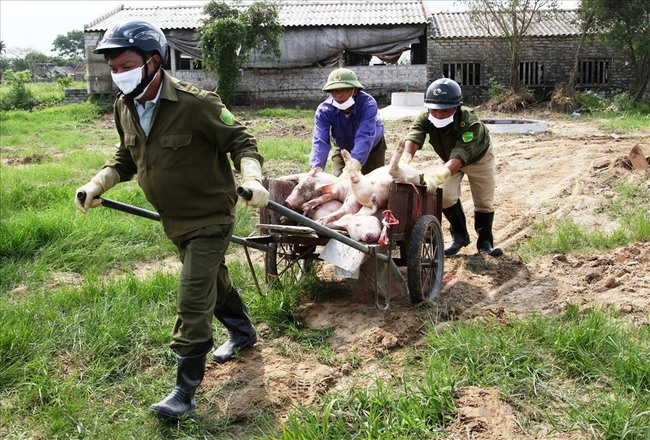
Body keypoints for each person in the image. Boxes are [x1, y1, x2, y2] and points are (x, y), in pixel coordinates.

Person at [73, 20, 269, 420]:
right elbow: (127, 157)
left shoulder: (196, 103)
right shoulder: (124, 106)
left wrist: (251, 177)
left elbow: (241, 141)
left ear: (153, 61)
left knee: (193, 296)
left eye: (124, 64)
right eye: (112, 68)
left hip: (211, 216)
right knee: (212, 278)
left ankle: (184, 393)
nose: (117, 74)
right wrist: (97, 184)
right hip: (173, 220)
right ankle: (244, 331)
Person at [402, 78, 503, 257]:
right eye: (435, 110)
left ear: (456, 107)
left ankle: (485, 241)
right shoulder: (426, 117)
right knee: (445, 196)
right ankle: (460, 236)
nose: (439, 115)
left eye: (445, 111)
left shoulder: (470, 123)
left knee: (483, 201)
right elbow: (414, 136)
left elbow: (460, 156)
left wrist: (437, 177)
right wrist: (404, 162)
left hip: (479, 160)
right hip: (450, 159)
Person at [309, 67, 387, 177]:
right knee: (338, 178)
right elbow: (320, 141)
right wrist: (316, 169)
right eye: (334, 91)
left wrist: (352, 168)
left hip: (371, 147)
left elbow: (365, 136)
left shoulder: (367, 105)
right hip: (343, 147)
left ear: (354, 90)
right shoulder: (324, 111)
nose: (338, 95)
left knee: (371, 182)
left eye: (344, 90)